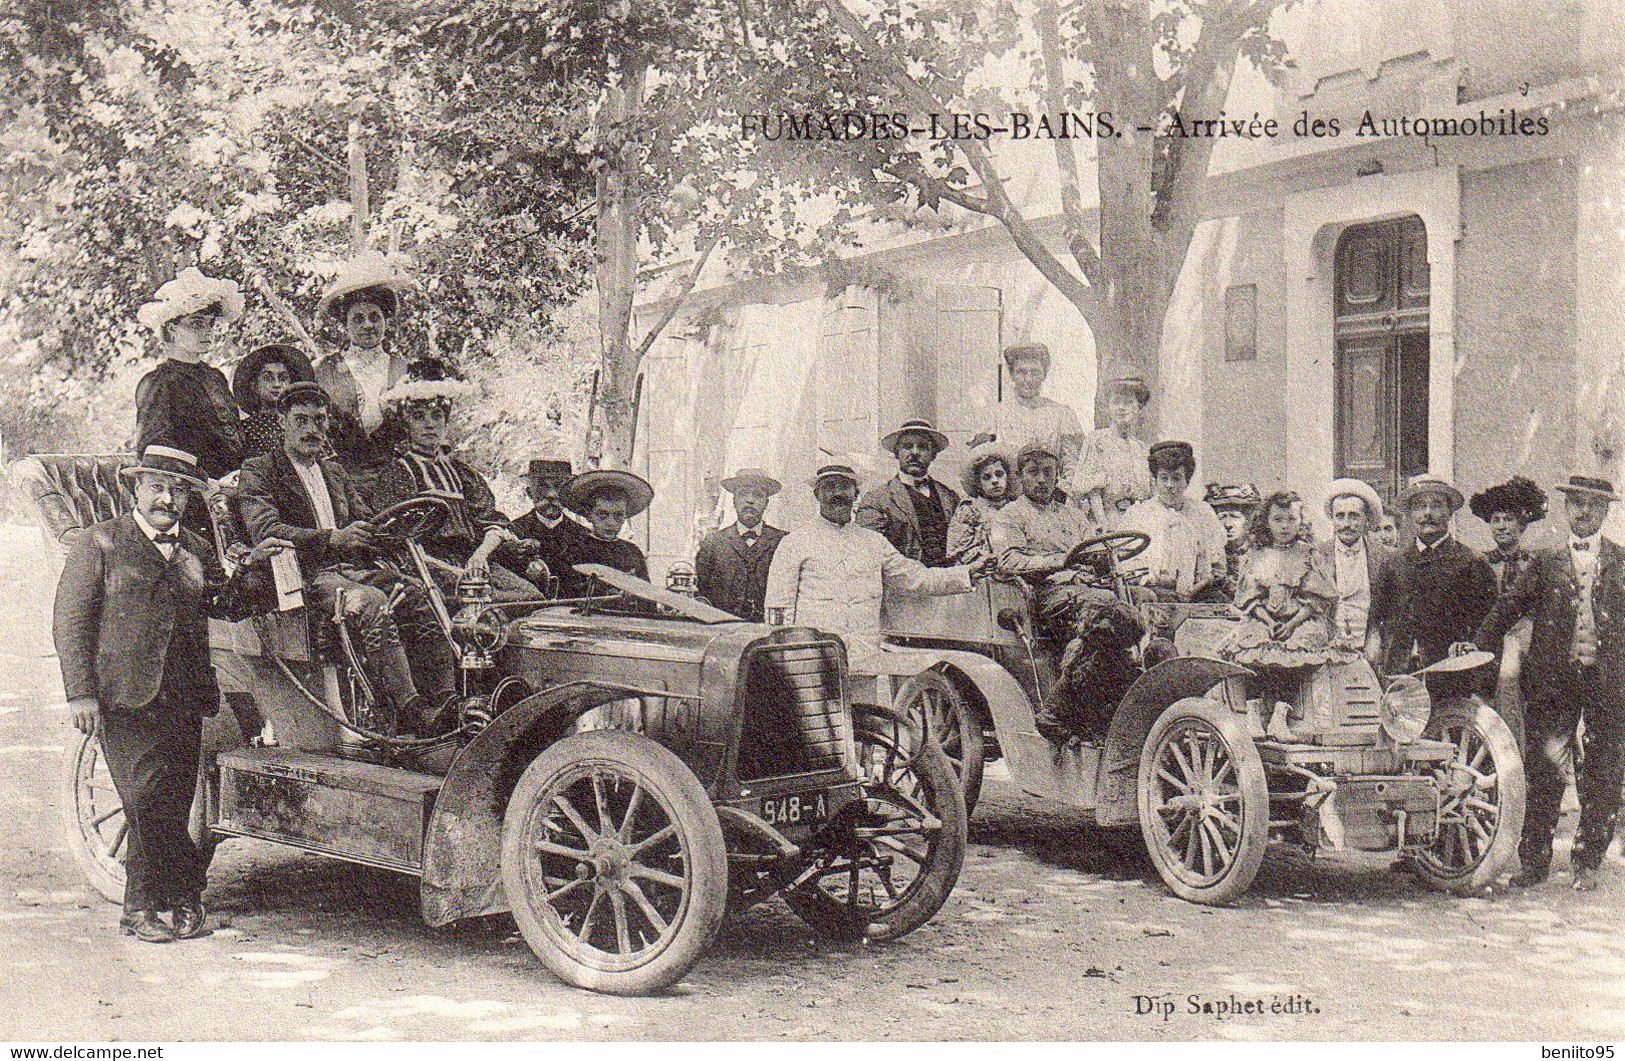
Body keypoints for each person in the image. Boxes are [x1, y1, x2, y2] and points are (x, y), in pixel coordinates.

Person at [53, 446, 283, 943]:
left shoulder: (196, 549)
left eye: (178, 490)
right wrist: (80, 696)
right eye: (156, 486)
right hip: (121, 697)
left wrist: (254, 567)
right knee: (142, 799)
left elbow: (224, 603)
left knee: (174, 802)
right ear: (135, 489)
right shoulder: (101, 543)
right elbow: (69, 622)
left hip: (184, 696)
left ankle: (178, 901)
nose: (167, 498)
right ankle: (144, 907)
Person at [238, 382, 457, 735]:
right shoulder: (260, 470)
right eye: (302, 420)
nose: (312, 429)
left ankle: (446, 702)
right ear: (282, 422)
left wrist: (390, 533)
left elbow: (367, 519)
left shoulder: (334, 471)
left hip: (352, 570)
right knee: (372, 603)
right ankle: (411, 711)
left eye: (320, 421)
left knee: (418, 594)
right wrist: (332, 539)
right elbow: (266, 529)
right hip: (305, 575)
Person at [1468, 475, 1625, 892]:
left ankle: (1588, 861)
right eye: (1577, 503)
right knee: (1545, 767)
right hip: (1553, 681)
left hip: (1608, 682)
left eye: (1593, 504)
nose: (1584, 512)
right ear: (1567, 509)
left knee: (1603, 770)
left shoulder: (1623, 561)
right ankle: (1534, 862)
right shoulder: (1545, 561)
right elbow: (1509, 605)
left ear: (1606, 510)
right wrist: (1477, 642)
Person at [988, 442, 1144, 740]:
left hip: (1085, 589)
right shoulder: (1010, 515)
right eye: (1033, 473)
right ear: (1020, 477)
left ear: (1058, 474)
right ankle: (1057, 709)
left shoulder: (1073, 515)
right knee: (1104, 607)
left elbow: (1093, 546)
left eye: (1048, 472)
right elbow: (1009, 561)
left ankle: (1136, 678)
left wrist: (1102, 556)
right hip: (1045, 595)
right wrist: (1061, 562)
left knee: (1141, 600)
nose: (1041, 479)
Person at [765, 460, 980, 668]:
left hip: (864, 659)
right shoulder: (794, 542)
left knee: (866, 707)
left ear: (855, 494)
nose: (837, 494)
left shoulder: (874, 542)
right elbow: (778, 606)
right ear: (817, 494)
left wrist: (966, 574)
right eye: (829, 487)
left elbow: (915, 578)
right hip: (813, 661)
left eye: (844, 487)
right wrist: (785, 659)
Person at [373, 359, 533, 598]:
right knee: (490, 600)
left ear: (446, 421)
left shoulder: (460, 472)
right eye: (419, 416)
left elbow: (491, 522)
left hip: (472, 560)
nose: (429, 424)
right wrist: (451, 571)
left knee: (530, 597)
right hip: (425, 567)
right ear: (406, 424)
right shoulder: (399, 472)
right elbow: (396, 540)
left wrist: (479, 557)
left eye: (436, 416)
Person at [1220, 492, 1351, 736]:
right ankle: (1253, 714)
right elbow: (1250, 597)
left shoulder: (1308, 554)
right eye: (1278, 520)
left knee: (1300, 645)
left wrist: (1292, 624)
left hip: (1298, 619)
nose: (1284, 526)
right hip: (1263, 618)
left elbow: (1317, 598)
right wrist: (1269, 621)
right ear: (1266, 522)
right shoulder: (1256, 554)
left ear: (1300, 521)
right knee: (1254, 643)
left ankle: (1280, 717)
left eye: (1291, 519)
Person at [1368, 473, 1497, 677]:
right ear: (1410, 514)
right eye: (1420, 506)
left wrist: (1472, 642)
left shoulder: (1471, 562)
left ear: (1450, 512)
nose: (1428, 513)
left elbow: (1488, 621)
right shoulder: (1393, 564)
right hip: (1400, 673)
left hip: (1452, 673)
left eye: (1436, 505)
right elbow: (1377, 617)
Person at [312, 253, 412, 496]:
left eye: (374, 317)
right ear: (345, 325)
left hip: (398, 479)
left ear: (385, 321)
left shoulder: (404, 370)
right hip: (340, 482)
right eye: (358, 318)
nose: (368, 325)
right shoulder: (323, 370)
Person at [134, 267, 247, 482]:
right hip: (189, 490)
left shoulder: (215, 378)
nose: (207, 332)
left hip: (233, 485)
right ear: (172, 330)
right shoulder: (158, 382)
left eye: (210, 324)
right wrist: (203, 481)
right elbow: (154, 450)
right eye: (196, 324)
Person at [1119, 440, 1227, 601]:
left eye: (1176, 478)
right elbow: (1126, 567)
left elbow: (1217, 569)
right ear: (1155, 481)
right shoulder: (1137, 514)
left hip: (1198, 591)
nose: (1169, 485)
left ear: (1187, 482)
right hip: (1152, 592)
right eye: (1164, 478)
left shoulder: (1203, 513)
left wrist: (1197, 586)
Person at [968, 343, 1084, 478]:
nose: (1028, 380)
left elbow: (1072, 464)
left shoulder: (1061, 414)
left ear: (1044, 375)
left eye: (1035, 372)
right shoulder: (994, 415)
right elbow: (979, 467)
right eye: (1021, 372)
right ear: (1012, 374)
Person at [856, 418, 960, 566]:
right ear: (896, 453)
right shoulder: (876, 500)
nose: (915, 452)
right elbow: (870, 552)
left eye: (923, 447)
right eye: (907, 446)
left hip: (951, 582)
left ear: (933, 455)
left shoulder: (950, 497)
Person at [694, 468, 787, 622]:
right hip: (724, 631)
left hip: (767, 633)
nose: (750, 500)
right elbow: (701, 595)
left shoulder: (783, 541)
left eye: (757, 495)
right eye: (743, 494)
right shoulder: (713, 542)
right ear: (734, 501)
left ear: (766, 503)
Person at [1316, 478, 1392, 656]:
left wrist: (1377, 639)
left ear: (1366, 519)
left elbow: (1392, 612)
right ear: (1332, 519)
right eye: (1340, 516)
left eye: (1354, 516)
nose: (1346, 524)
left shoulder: (1386, 557)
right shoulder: (1317, 555)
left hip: (1371, 649)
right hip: (1327, 648)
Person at [1072, 375, 1153, 526]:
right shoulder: (1097, 441)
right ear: (1108, 407)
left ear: (1138, 407)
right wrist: (1103, 523)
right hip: (1108, 520)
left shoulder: (1143, 450)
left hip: (1141, 521)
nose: (1121, 408)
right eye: (1116, 402)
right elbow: (1093, 491)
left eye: (1128, 403)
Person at [564, 469, 654, 582]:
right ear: (589, 515)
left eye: (618, 515)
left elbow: (647, 595)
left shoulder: (632, 553)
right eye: (603, 514)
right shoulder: (575, 550)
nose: (611, 522)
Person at [233, 343, 315, 461]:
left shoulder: (306, 424)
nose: (277, 384)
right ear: (254, 386)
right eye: (268, 378)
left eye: (283, 378)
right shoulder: (244, 430)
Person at [1470, 475, 1549, 599]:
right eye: (1496, 520)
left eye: (1508, 519)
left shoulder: (1535, 563)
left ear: (1522, 525)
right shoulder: (1480, 564)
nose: (1501, 526)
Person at [946, 444, 1017, 565]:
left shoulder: (1015, 507)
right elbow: (957, 551)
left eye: (999, 474)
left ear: (1007, 476)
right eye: (986, 477)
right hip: (982, 572)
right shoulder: (969, 511)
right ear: (978, 483)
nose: (994, 481)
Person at [1205, 481, 1261, 599]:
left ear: (1249, 521)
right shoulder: (1207, 555)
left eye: (1235, 516)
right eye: (1222, 517)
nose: (1228, 524)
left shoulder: (1261, 553)